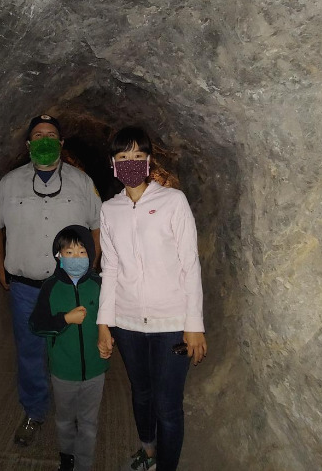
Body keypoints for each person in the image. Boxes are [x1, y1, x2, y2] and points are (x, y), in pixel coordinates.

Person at [0, 115, 101, 446]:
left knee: (72, 349)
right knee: (30, 352)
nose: (45, 139)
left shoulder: (81, 182)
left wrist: (91, 266)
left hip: (69, 287)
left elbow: (97, 224)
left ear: (61, 143)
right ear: (28, 144)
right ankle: (34, 411)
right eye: (38, 135)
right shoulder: (9, 183)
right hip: (26, 288)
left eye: (51, 135)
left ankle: (74, 411)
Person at [96, 126, 207, 471]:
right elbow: (110, 268)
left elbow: (190, 263)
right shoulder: (109, 209)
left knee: (167, 405)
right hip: (127, 322)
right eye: (123, 156)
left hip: (171, 322)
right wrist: (104, 323)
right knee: (141, 393)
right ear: (113, 163)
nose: (131, 162)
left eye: (138, 156)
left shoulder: (173, 201)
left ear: (148, 161)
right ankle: (148, 450)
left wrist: (194, 324)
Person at [30, 225, 108, 471]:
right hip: (63, 372)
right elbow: (36, 324)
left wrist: (109, 339)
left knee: (89, 422)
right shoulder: (50, 287)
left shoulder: (100, 285)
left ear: (91, 254)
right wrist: (65, 319)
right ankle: (67, 458)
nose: (76, 258)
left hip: (95, 370)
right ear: (59, 256)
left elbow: (111, 319)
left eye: (82, 252)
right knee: (64, 420)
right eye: (69, 252)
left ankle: (84, 464)